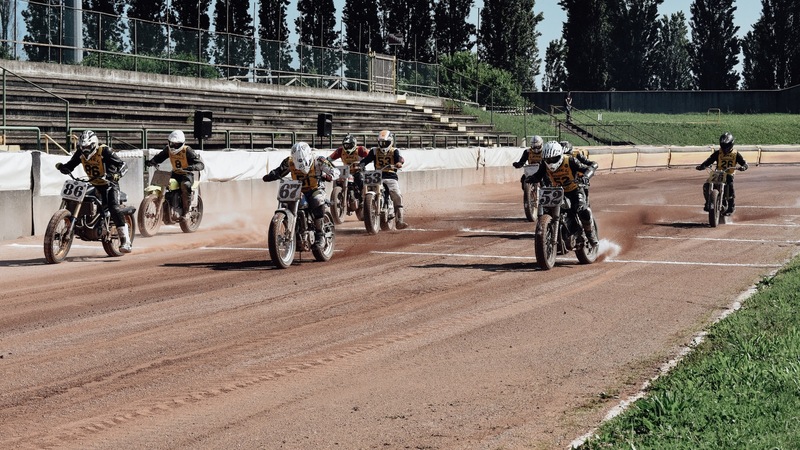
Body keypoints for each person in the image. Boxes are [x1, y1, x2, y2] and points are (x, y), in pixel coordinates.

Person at [55, 130, 132, 253]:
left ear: (94, 145)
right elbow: (71, 164)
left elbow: (123, 165)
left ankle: (125, 241)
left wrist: (116, 175)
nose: (85, 150)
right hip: (93, 183)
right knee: (81, 201)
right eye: (82, 147)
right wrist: (64, 168)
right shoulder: (80, 154)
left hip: (109, 184)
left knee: (114, 208)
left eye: (87, 147)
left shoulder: (105, 151)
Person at [263, 142, 339, 248]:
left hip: (315, 189)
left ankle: (320, 234)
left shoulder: (319, 160)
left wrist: (329, 176)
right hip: (297, 190)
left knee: (317, 200)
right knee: (287, 203)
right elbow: (279, 171)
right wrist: (271, 176)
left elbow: (335, 171)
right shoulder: (288, 162)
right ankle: (292, 228)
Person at [525, 141, 598, 246]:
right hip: (556, 191)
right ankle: (553, 233)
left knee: (582, 210)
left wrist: (585, 177)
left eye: (553, 159)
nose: (550, 162)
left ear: (559, 155)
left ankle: (591, 235)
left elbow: (587, 168)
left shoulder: (571, 160)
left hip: (574, 190)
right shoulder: (544, 164)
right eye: (547, 159)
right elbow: (538, 175)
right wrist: (531, 178)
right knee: (547, 209)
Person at [145, 130, 205, 222]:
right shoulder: (168, 149)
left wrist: (191, 167)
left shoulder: (187, 150)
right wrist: (152, 161)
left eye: (177, 144)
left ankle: (186, 212)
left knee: (185, 185)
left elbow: (200, 164)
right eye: (172, 143)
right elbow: (159, 157)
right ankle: (163, 205)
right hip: (175, 173)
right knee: (162, 182)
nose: (173, 146)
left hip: (186, 174)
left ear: (182, 143)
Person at [359, 129, 409, 230]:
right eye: (381, 142)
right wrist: (360, 165)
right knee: (365, 189)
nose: (383, 144)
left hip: (390, 175)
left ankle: (399, 220)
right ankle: (366, 210)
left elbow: (399, 158)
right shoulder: (374, 151)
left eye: (385, 142)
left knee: (396, 194)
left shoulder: (394, 151)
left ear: (390, 142)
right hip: (377, 174)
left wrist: (399, 163)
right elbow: (366, 160)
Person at [696, 132, 748, 214]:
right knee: (706, 185)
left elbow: (744, 162)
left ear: (731, 144)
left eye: (726, 146)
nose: (725, 148)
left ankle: (731, 206)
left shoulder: (735, 154)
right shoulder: (718, 153)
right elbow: (709, 160)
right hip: (718, 173)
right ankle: (708, 202)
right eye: (723, 146)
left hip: (729, 174)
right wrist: (702, 166)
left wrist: (744, 167)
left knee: (730, 185)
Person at [328, 134, 370, 210]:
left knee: (360, 179)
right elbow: (329, 159)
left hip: (359, 171)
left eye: (349, 145)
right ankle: (337, 196)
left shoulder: (361, 149)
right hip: (346, 172)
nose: (347, 147)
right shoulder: (340, 150)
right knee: (337, 180)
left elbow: (370, 157)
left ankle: (363, 199)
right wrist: (328, 163)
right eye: (346, 145)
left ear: (354, 144)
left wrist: (362, 164)